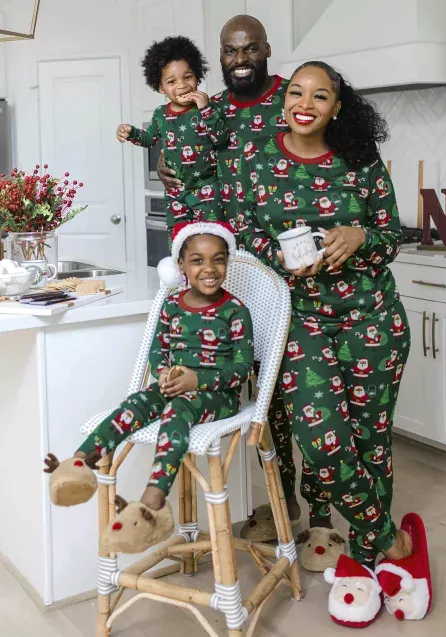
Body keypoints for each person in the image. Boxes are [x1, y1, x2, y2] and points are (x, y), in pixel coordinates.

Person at [236, 60, 417, 580]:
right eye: (297, 92)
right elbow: (245, 240)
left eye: (320, 96)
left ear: (337, 108)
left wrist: (361, 237)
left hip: (372, 319)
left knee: (371, 442)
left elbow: (388, 239)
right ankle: (391, 539)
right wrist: (283, 257)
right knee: (322, 443)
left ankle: (365, 556)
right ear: (284, 100)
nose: (305, 104)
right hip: (300, 320)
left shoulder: (362, 159)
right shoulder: (258, 159)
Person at [157, 15, 306, 543]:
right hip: (240, 270)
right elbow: (184, 157)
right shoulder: (210, 110)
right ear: (220, 57)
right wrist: (164, 164)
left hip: (297, 266)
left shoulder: (296, 98)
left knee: (307, 400)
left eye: (249, 50)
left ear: (266, 49)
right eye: (229, 52)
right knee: (267, 397)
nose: (240, 60)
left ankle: (328, 519)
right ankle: (282, 507)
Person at [43, 221, 254, 554]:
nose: (209, 268)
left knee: (178, 410)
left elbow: (241, 369)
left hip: (218, 395)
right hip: (174, 385)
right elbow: (158, 351)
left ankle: (152, 504)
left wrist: (197, 380)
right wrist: (165, 372)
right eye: (197, 260)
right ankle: (80, 464)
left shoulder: (235, 312)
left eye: (218, 259)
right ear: (181, 266)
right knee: (135, 403)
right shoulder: (172, 306)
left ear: (227, 261)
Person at [117, 36, 228, 249]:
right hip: (175, 192)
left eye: (188, 77)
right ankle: (178, 281)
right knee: (178, 242)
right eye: (172, 82)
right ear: (160, 88)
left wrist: (206, 109)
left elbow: (221, 137)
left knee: (213, 240)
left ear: (197, 76)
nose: (182, 86)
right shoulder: (160, 115)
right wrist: (131, 133)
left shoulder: (208, 108)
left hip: (207, 189)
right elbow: (150, 139)